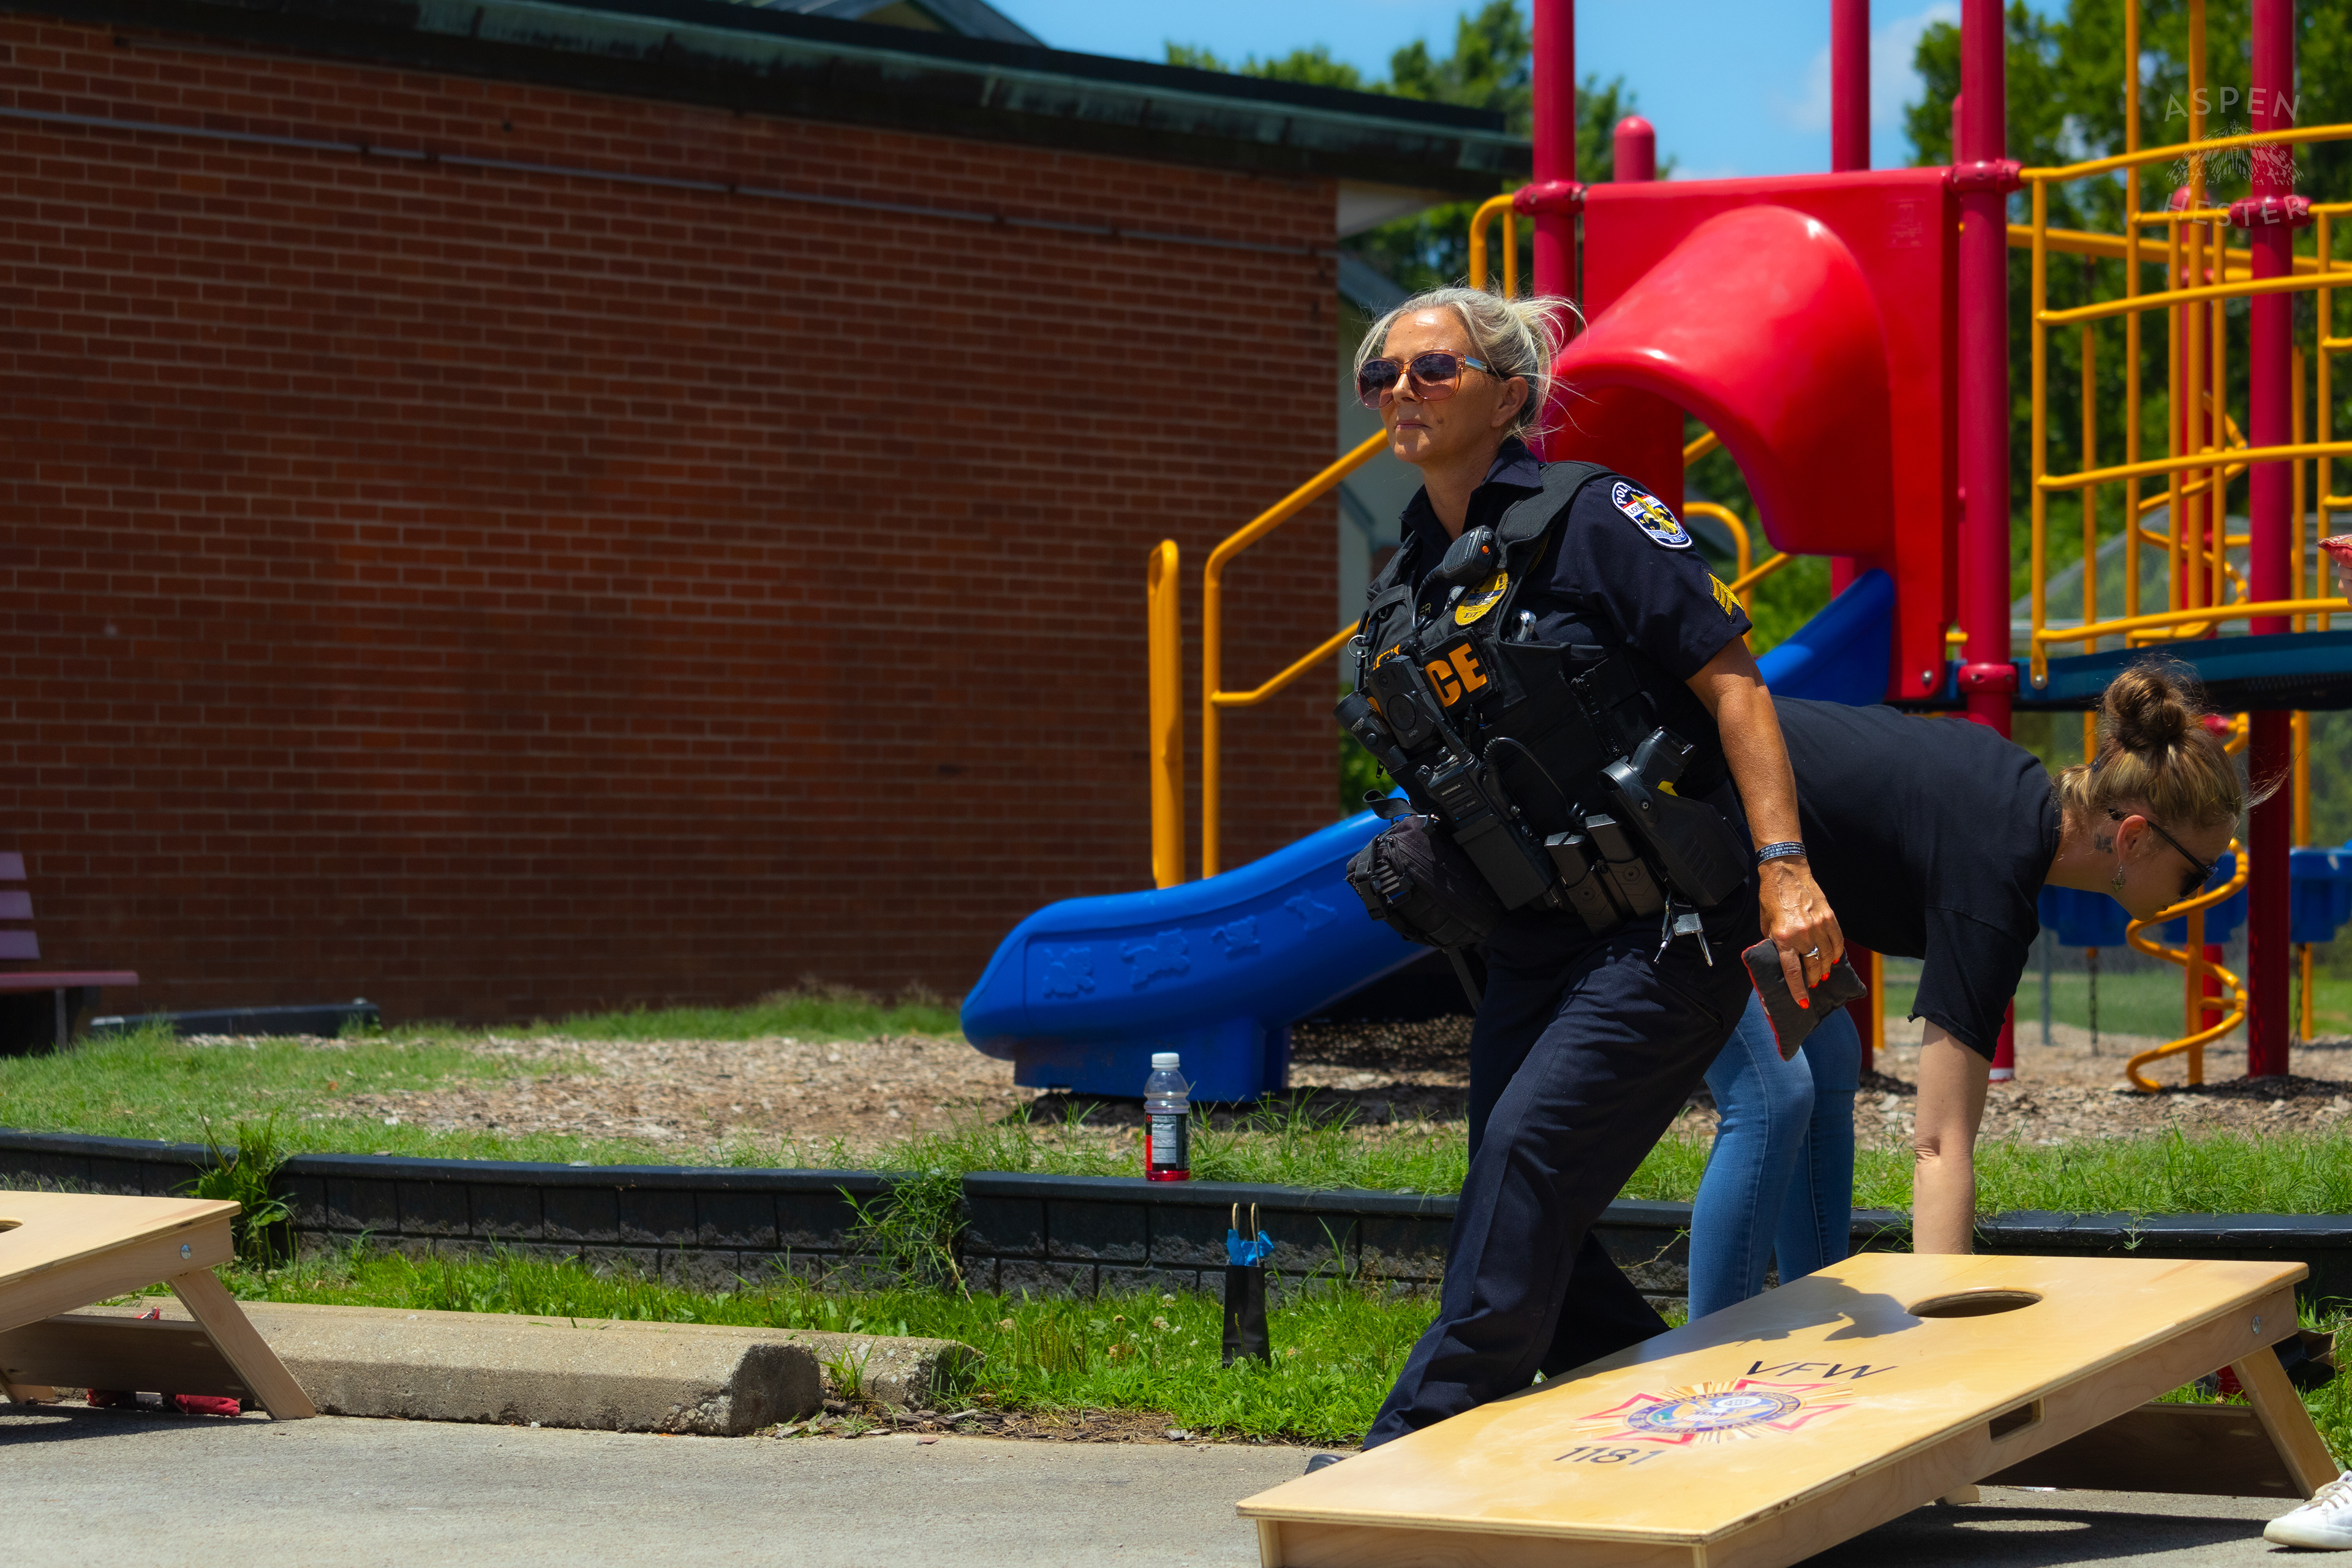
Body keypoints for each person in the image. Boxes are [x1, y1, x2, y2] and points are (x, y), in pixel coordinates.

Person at [1332, 286, 1841, 1455]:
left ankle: (1420, 1441)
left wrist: (1783, 869)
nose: (1401, 391)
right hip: (1538, 936)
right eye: (1382, 375)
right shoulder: (1406, 572)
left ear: (1509, 395)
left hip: (1673, 929)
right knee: (1513, 1188)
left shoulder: (1596, 515)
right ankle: (1645, 1404)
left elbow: (1737, 689)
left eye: (1432, 370)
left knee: (1526, 1160)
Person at [1685, 661, 2252, 1317]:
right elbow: (1939, 1147)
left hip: (1722, 831)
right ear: (2132, 837)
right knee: (1774, 1095)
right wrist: (1952, 1344)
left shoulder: (2012, 796)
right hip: (1669, 817)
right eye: (2199, 874)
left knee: (1829, 1052)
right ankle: (1706, 1368)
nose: (2202, 891)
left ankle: (1812, 1305)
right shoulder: (1995, 882)